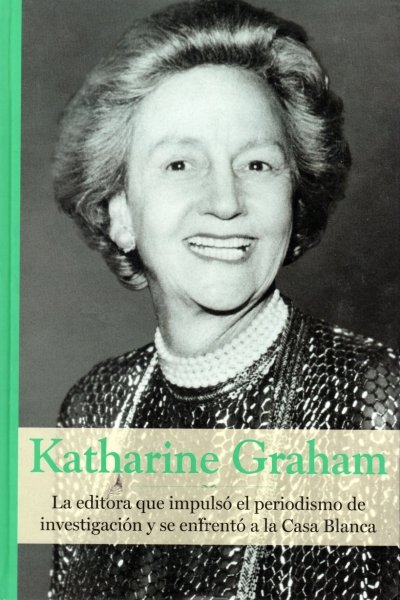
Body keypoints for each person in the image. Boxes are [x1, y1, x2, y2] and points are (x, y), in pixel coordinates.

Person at [48, 0, 399, 598]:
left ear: (295, 200)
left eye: (257, 164)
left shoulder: (371, 402)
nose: (226, 201)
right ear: (121, 213)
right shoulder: (94, 410)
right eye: (180, 163)